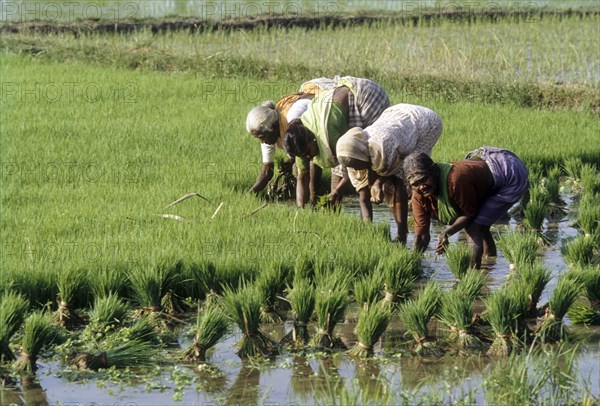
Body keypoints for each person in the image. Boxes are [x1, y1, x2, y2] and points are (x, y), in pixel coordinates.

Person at [402, 147, 529, 268]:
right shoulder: (418, 197)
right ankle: (489, 263)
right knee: (481, 225)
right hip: (484, 176)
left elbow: (469, 214)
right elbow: (421, 235)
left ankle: (473, 274)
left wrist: (447, 233)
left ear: (434, 172)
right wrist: (413, 262)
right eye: (415, 184)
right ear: (409, 185)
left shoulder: (455, 181)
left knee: (474, 227)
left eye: (424, 179)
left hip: (510, 173)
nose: (422, 186)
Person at [335, 104, 443, 244]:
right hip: (397, 119)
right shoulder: (351, 155)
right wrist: (368, 229)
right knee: (387, 185)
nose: (358, 169)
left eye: (360, 165)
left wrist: (378, 183)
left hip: (425, 123)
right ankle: (402, 228)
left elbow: (396, 180)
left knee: (412, 174)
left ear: (365, 155)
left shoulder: (382, 146)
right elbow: (363, 197)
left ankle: (406, 232)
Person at [283, 76, 391, 207]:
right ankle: (338, 207)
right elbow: (302, 177)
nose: (308, 157)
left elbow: (350, 165)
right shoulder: (299, 141)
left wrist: (337, 190)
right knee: (340, 169)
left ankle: (381, 191)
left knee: (369, 153)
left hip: (367, 97)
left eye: (307, 153)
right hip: (341, 104)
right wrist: (300, 211)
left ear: (312, 140)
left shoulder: (329, 133)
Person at [246, 78, 336, 194]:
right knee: (299, 168)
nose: (262, 142)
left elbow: (313, 151)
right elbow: (267, 171)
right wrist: (251, 193)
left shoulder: (291, 119)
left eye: (262, 137)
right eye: (258, 138)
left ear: (272, 128)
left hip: (327, 101)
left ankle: (314, 198)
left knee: (310, 164)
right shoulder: (267, 135)